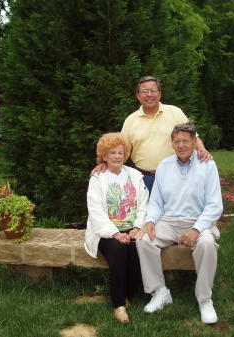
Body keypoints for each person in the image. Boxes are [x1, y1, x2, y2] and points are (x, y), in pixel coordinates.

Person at [136, 122, 223, 324]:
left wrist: (196, 229)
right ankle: (159, 291)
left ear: (194, 142)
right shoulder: (164, 166)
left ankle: (204, 299)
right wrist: (149, 221)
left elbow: (214, 205)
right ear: (172, 144)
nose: (181, 145)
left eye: (185, 140)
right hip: (169, 221)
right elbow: (156, 201)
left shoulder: (207, 165)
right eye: (177, 141)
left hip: (198, 221)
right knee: (143, 240)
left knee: (207, 244)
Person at [91, 76, 213, 192]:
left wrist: (202, 149)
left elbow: (193, 137)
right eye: (144, 91)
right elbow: (119, 147)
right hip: (144, 178)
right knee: (147, 213)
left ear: (159, 94)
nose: (149, 94)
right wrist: (104, 163)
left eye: (153, 90)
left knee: (174, 213)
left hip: (175, 175)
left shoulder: (175, 112)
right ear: (138, 95)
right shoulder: (130, 120)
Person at [84, 132, 149, 323]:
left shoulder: (135, 175)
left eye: (121, 152)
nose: (117, 156)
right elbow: (95, 211)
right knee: (119, 250)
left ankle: (128, 294)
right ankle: (118, 305)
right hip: (106, 231)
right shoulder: (98, 179)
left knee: (138, 248)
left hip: (132, 228)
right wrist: (114, 233)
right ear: (104, 156)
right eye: (112, 153)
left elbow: (144, 205)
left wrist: (137, 227)